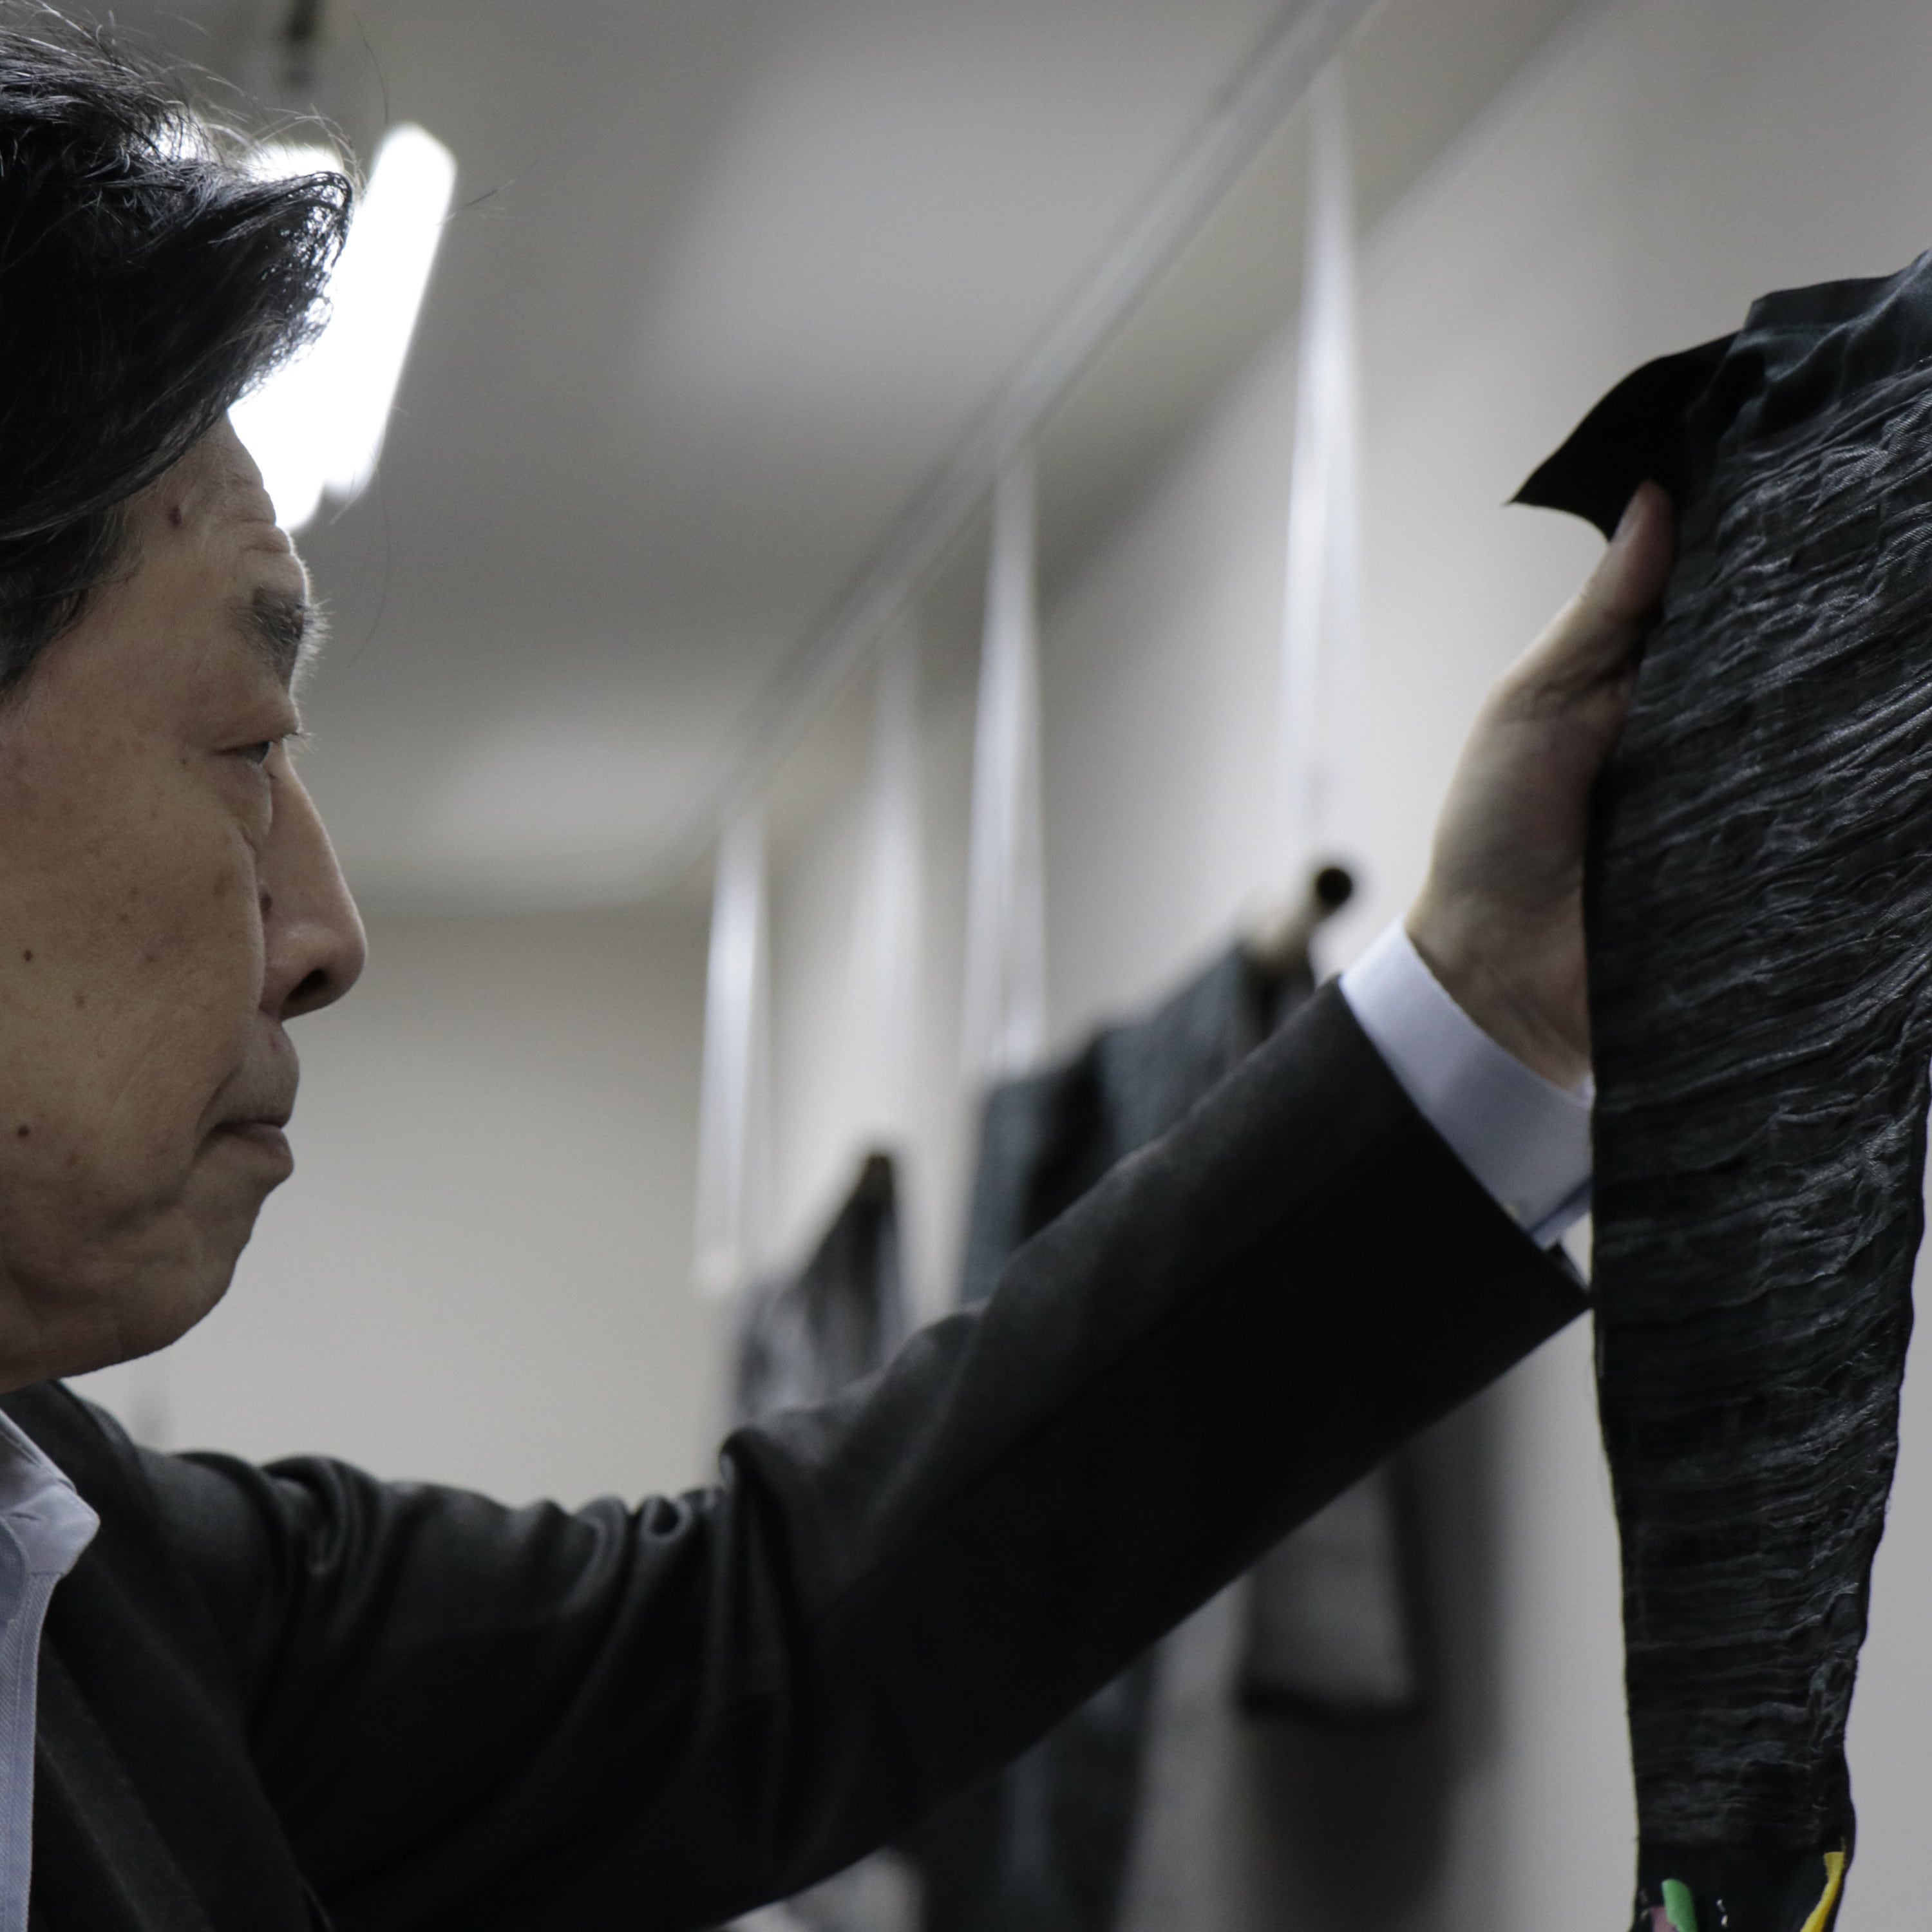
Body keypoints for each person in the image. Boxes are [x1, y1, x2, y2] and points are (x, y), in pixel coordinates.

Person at [0, 14, 1676, 1931]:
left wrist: (1489, 1010)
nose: (323, 934)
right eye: (244, 748)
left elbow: (762, 1642)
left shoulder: (93, 1573)